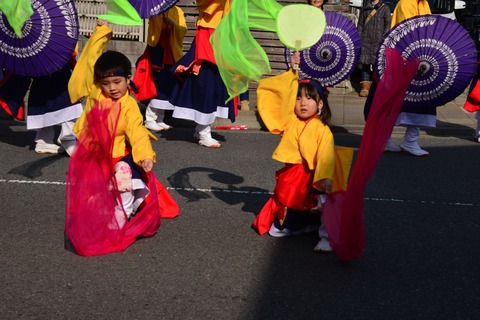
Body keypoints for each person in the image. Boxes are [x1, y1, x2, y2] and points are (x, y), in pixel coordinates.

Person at [65, 20, 179, 256]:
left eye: (117, 82)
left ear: (128, 79)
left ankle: (120, 219)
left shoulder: (129, 106)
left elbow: (137, 133)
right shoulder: (96, 95)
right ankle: (107, 215)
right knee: (95, 193)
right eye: (106, 83)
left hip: (120, 157)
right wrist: (101, 33)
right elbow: (87, 65)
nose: (112, 88)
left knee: (124, 185)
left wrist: (145, 156)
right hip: (95, 154)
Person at [253, 52, 352, 253]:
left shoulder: (322, 129)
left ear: (320, 104)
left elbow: (325, 155)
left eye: (309, 98)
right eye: (298, 98)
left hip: (316, 176)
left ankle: (326, 237)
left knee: (325, 204)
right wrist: (293, 71)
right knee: (286, 212)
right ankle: (298, 225)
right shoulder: (290, 121)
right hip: (295, 175)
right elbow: (281, 100)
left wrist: (324, 178)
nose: (303, 103)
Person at [168, 0, 235, 148]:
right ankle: (204, 132)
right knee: (206, 83)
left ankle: (201, 129)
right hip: (209, 31)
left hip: (221, 31)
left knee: (215, 85)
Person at [381, 0, 432, 155]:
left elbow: (429, 27)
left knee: (422, 100)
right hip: (405, 56)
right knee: (397, 100)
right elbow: (411, 29)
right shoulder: (405, 2)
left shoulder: (424, 4)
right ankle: (384, 140)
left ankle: (410, 140)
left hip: (420, 54)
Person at [0, 58, 82, 155]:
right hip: (49, 62)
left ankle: (44, 139)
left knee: (45, 93)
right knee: (64, 93)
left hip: (44, 60)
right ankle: (67, 137)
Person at [140, 6, 187, 132]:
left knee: (167, 88)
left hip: (172, 53)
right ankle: (150, 119)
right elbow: (153, 32)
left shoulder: (178, 11)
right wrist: (159, 19)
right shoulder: (154, 10)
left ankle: (160, 119)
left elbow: (183, 30)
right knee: (157, 87)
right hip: (158, 51)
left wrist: (173, 24)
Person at [357, 0, 391, 97]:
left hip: (379, 41)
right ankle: (365, 87)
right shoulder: (365, 8)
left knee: (378, 65)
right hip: (365, 40)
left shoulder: (385, 9)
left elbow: (387, 25)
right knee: (365, 65)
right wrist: (359, 37)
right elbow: (360, 24)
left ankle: (377, 87)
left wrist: (384, 39)